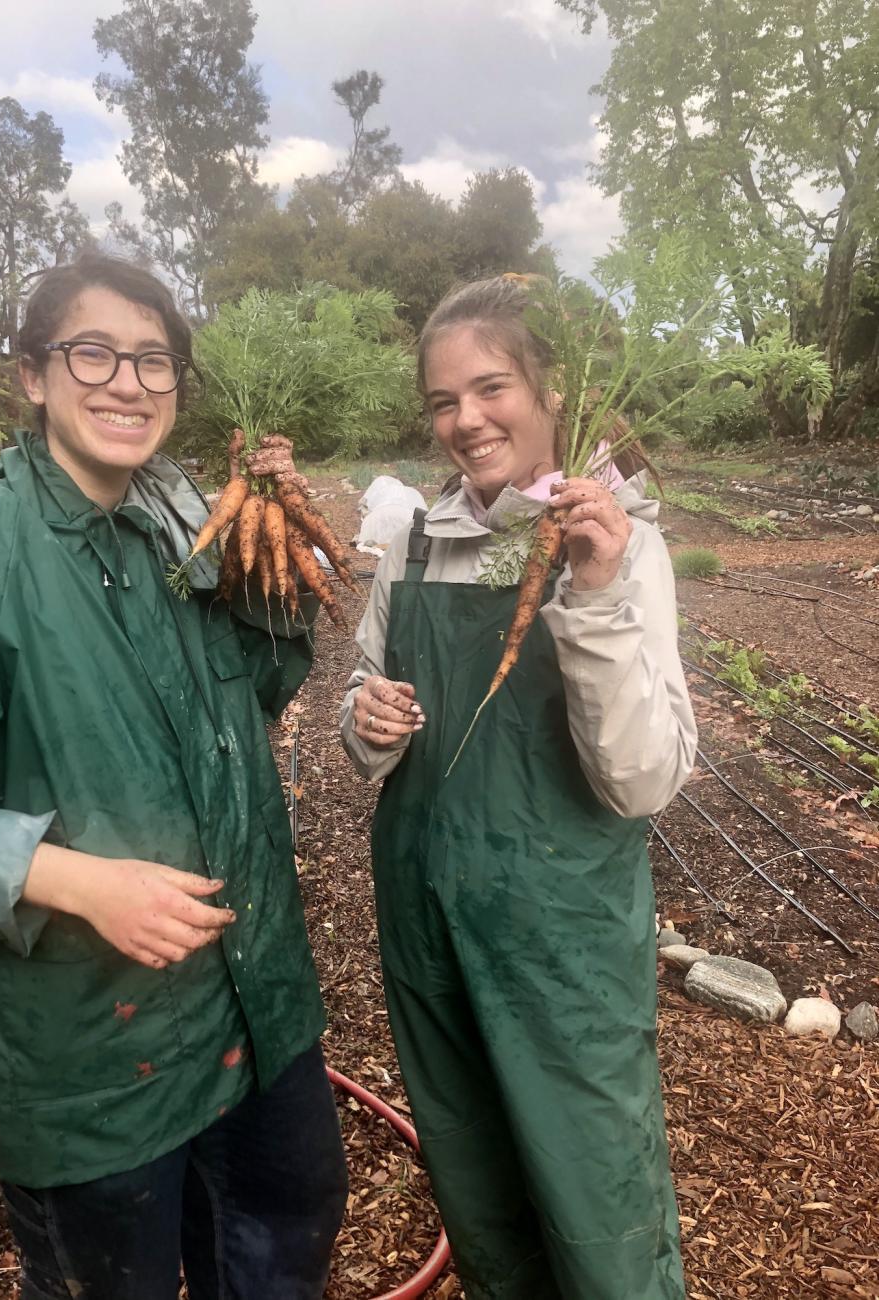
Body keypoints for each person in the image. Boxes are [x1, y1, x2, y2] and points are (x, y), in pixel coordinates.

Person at [0, 253, 347, 1300]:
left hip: (249, 990)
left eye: (155, 360)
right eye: (93, 351)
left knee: (286, 1224)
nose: (129, 382)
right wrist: (81, 881)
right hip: (89, 1044)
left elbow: (262, 687)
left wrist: (270, 552)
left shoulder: (183, 521)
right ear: (31, 374)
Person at [340, 275, 696, 1300]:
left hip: (561, 940)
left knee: (597, 1207)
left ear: (549, 391)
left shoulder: (622, 547)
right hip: (427, 923)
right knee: (476, 1182)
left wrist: (590, 596)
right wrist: (366, 722)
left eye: (490, 388)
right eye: (443, 401)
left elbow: (642, 779)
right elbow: (366, 690)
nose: (466, 419)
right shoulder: (411, 541)